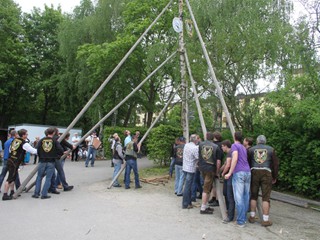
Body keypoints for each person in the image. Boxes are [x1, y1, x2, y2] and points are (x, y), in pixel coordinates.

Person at [248, 135, 279, 227]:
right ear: (265, 141)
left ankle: (252, 217)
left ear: (257, 141)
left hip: (254, 172)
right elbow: (275, 164)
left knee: (253, 196)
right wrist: (274, 176)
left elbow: (248, 162)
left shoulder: (251, 150)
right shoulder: (271, 149)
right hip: (266, 172)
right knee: (266, 197)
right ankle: (265, 220)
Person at [225, 131, 251, 227]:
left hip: (239, 173)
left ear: (234, 137)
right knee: (245, 197)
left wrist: (229, 172)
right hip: (247, 172)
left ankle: (240, 221)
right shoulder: (244, 148)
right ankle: (243, 219)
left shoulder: (234, 146)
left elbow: (235, 158)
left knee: (238, 198)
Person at [2, 129, 37, 200]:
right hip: (14, 162)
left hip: (10, 160)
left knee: (13, 177)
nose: (27, 135)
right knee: (10, 179)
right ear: (23, 135)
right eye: (26, 134)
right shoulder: (24, 143)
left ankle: (12, 191)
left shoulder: (14, 140)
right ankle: (5, 195)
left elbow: (10, 150)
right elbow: (33, 151)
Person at [33, 127, 65, 199]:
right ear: (53, 133)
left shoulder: (41, 140)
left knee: (39, 177)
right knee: (48, 178)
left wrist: (41, 155)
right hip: (51, 161)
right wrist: (56, 155)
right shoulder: (54, 141)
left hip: (42, 161)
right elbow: (61, 150)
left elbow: (36, 149)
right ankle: (44, 194)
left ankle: (36, 193)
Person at [197, 132, 221, 214]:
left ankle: (206, 205)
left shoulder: (200, 145)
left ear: (206, 137)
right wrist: (217, 172)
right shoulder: (216, 147)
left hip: (202, 168)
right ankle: (203, 208)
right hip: (210, 169)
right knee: (206, 189)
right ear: (212, 138)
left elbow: (199, 156)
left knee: (208, 187)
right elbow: (218, 162)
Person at [182, 134, 199, 209]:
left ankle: (188, 202)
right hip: (191, 168)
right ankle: (185, 203)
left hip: (185, 167)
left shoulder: (186, 145)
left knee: (188, 185)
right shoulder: (195, 148)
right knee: (188, 186)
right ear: (195, 140)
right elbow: (197, 157)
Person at [221, 140, 235, 223]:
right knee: (225, 193)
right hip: (228, 176)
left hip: (230, 175)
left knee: (229, 195)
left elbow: (228, 165)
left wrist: (222, 173)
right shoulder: (229, 153)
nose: (222, 148)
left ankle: (230, 216)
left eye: (222, 146)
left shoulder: (230, 152)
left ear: (226, 146)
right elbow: (225, 164)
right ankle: (228, 210)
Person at [208, 131, 223, 207]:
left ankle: (217, 199)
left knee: (217, 184)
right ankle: (213, 197)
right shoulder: (217, 145)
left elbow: (218, 159)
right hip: (213, 166)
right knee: (214, 183)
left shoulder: (217, 146)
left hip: (215, 166)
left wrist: (218, 171)